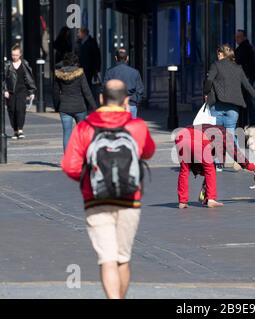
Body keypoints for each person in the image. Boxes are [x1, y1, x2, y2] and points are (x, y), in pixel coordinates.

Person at [61, 80, 156, 299]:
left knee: (107, 258)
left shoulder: (85, 127)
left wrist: (91, 179)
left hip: (96, 200)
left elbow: (70, 165)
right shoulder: (137, 126)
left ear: (102, 99)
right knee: (123, 258)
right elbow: (148, 152)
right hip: (129, 198)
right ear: (126, 101)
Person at [204, 44, 255, 170]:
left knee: (218, 136)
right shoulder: (238, 68)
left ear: (221, 54)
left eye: (218, 54)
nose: (217, 56)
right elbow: (248, 86)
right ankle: (241, 161)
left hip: (218, 106)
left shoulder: (216, 65)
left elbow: (209, 81)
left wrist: (205, 93)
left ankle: (219, 165)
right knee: (230, 136)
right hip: (233, 109)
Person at [175, 124, 255, 209]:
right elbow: (234, 152)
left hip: (181, 135)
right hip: (198, 139)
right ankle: (211, 199)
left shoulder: (214, 129)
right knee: (210, 169)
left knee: (184, 170)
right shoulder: (224, 133)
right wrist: (249, 166)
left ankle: (182, 201)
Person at [54, 53, 97, 152]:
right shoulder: (80, 73)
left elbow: (55, 92)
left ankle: (67, 159)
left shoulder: (58, 74)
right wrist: (94, 107)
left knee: (67, 133)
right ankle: (82, 157)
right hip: (79, 107)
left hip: (64, 107)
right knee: (82, 133)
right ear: (76, 62)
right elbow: (86, 91)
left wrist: (57, 106)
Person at [3, 45, 36, 140]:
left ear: (20, 54)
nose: (14, 57)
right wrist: (4, 90)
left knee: (20, 110)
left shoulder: (25, 64)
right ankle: (15, 131)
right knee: (12, 110)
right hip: (10, 92)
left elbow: (29, 79)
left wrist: (31, 91)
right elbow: (3, 79)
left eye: (16, 55)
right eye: (13, 55)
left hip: (22, 91)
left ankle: (20, 130)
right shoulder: (7, 65)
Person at [104, 48, 144, 119]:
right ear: (127, 58)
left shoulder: (109, 72)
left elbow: (105, 89)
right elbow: (140, 90)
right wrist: (135, 101)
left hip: (115, 105)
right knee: (130, 128)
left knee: (116, 128)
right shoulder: (135, 72)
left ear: (116, 58)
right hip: (130, 104)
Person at [235, 30, 255, 127]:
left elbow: (246, 65)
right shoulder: (242, 48)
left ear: (244, 37)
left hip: (245, 79)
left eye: (239, 37)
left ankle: (248, 122)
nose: (236, 39)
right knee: (246, 100)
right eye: (236, 37)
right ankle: (246, 121)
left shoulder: (246, 49)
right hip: (244, 79)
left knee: (246, 100)